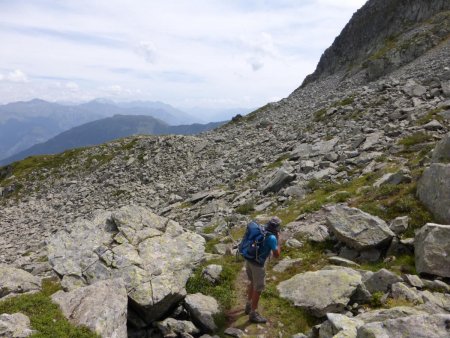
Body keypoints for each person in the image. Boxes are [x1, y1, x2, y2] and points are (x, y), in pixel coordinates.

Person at [245, 216, 282, 323]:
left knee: (252, 282)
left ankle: (248, 305)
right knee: (259, 288)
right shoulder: (272, 238)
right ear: (277, 228)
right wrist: (278, 241)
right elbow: (276, 255)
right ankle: (253, 313)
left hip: (249, 260)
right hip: (258, 265)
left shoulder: (260, 229)